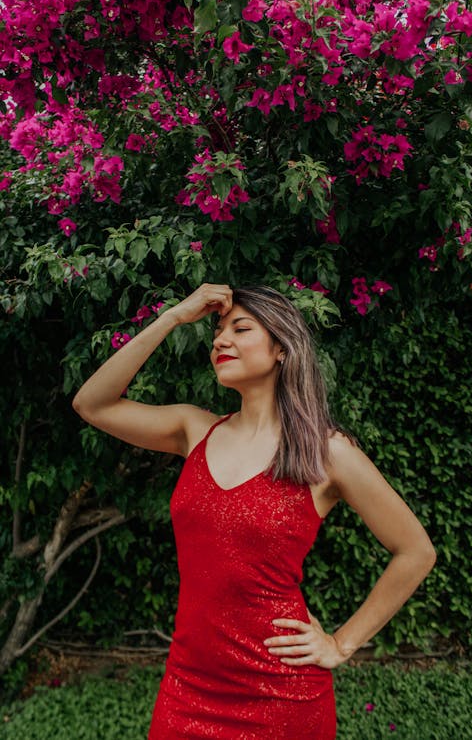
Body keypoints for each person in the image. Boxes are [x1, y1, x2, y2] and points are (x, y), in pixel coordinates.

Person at [72, 282, 436, 739]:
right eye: (217, 332)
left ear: (282, 347)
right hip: (187, 686)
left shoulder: (326, 453)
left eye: (240, 328)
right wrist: (173, 317)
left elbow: (415, 551)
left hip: (281, 695)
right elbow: (92, 403)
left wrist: (342, 643)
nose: (221, 340)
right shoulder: (194, 430)